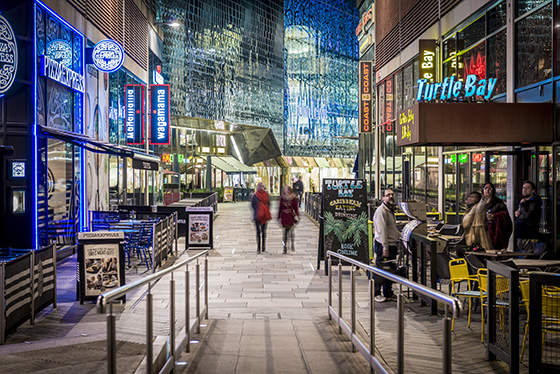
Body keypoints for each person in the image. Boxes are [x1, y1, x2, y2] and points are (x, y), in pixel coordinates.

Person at [372, 189, 400, 302]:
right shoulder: (381, 211)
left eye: (392, 195)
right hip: (383, 246)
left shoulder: (389, 210)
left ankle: (388, 293)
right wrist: (385, 247)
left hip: (391, 244)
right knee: (380, 270)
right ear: (383, 198)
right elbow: (382, 230)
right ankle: (377, 293)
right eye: (388, 195)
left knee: (389, 270)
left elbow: (391, 228)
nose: (391, 197)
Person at [482, 183, 512, 250]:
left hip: (495, 231)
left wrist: (494, 216)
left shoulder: (498, 202)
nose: (487, 190)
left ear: (493, 190)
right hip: (483, 230)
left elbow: (505, 215)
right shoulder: (481, 203)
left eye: (490, 188)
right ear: (483, 190)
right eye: (485, 188)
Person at [514, 181, 542, 250]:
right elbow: (518, 214)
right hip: (520, 234)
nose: (524, 190)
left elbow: (528, 216)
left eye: (527, 188)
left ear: (533, 190)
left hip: (530, 235)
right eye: (523, 188)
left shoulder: (535, 200)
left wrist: (522, 205)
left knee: (528, 255)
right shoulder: (522, 200)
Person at [278, 186, 299, 254]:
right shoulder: (282, 198)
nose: (286, 192)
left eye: (287, 191)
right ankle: (285, 248)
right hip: (284, 217)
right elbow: (280, 208)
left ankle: (292, 245)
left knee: (291, 232)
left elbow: (296, 208)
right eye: (285, 191)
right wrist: (279, 217)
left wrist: (297, 215)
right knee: (285, 233)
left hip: (290, 217)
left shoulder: (293, 198)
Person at [251, 182, 271, 254]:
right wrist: (265, 210)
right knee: (264, 232)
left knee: (258, 232)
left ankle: (258, 249)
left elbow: (252, 205)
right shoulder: (266, 195)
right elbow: (269, 204)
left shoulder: (254, 195)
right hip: (264, 216)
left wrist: (257, 210)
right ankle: (263, 248)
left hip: (257, 216)